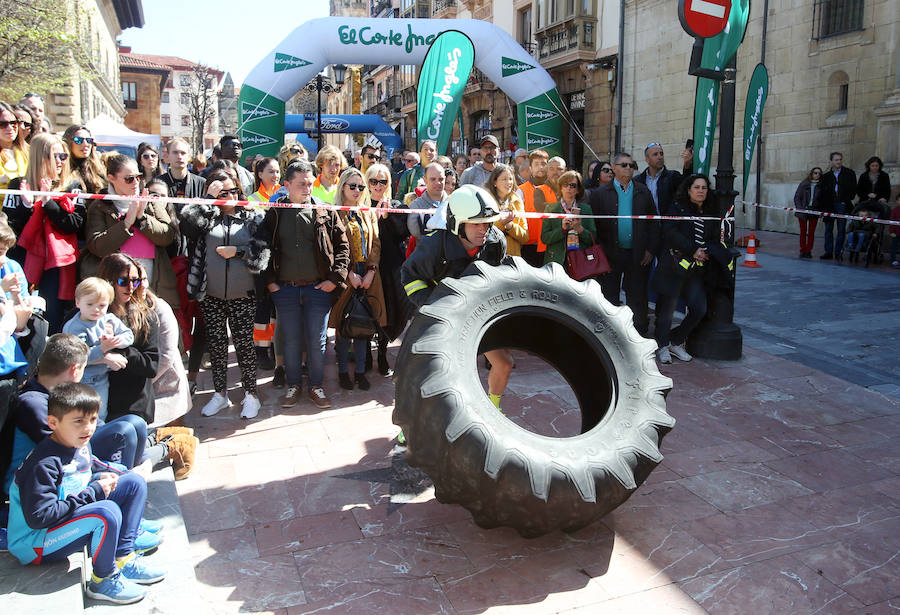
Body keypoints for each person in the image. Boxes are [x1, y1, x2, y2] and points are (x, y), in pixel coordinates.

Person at [7, 382, 166, 604]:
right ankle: (103, 579)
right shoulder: (43, 464)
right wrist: (93, 492)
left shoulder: (76, 443)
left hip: (60, 524)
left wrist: (114, 475)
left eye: (92, 419)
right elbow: (39, 518)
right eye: (79, 421)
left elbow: (87, 468)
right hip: (35, 543)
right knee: (105, 511)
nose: (88, 428)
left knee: (133, 483)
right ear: (53, 422)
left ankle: (123, 557)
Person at [401, 185, 513, 410]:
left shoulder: (495, 241)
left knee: (504, 364)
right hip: (439, 317)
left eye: (488, 222)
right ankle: (408, 427)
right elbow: (409, 277)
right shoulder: (434, 245)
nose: (484, 229)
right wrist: (435, 309)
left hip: (476, 314)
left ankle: (494, 409)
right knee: (426, 373)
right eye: (476, 223)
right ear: (457, 224)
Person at [180, 168, 270, 419]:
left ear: (239, 190)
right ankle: (220, 394)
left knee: (244, 346)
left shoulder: (253, 217)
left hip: (244, 295)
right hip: (211, 296)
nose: (228, 196)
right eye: (221, 192)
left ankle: (251, 395)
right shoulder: (205, 216)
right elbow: (186, 226)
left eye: (232, 191)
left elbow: (262, 256)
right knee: (217, 346)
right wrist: (208, 200)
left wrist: (238, 252)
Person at [264, 160, 349, 410]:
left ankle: (315, 385)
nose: (307, 188)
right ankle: (293, 385)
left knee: (317, 340)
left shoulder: (325, 211)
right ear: (286, 184)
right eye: (301, 184)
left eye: (310, 183)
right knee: (290, 340)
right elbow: (262, 247)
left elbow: (343, 247)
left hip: (318, 290)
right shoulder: (274, 212)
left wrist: (335, 280)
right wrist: (270, 282)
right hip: (284, 290)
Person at [82, 155, 179, 306]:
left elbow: (168, 235)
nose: (136, 183)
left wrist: (142, 219)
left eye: (138, 177)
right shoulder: (100, 205)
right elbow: (97, 246)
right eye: (129, 179)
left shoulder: (150, 202)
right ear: (111, 178)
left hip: (152, 277)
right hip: (116, 280)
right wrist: (126, 224)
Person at [16, 133, 83, 334]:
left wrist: (47, 204)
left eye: (63, 156)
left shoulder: (73, 186)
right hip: (24, 262)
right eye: (54, 156)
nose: (60, 161)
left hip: (57, 266)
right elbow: (11, 230)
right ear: (39, 157)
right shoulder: (18, 185)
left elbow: (75, 225)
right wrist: (28, 207)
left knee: (51, 317)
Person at [327, 168, 387, 391]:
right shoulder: (335, 212)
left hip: (368, 274)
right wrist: (348, 273)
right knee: (344, 324)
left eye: (360, 187)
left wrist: (371, 271)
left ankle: (361, 372)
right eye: (352, 186)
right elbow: (331, 248)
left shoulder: (368, 212)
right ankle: (343, 371)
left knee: (363, 324)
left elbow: (376, 244)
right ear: (342, 186)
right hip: (344, 274)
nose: (357, 190)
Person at [652, 174, 722, 364]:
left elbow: (715, 236)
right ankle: (662, 346)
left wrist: (708, 251)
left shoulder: (710, 211)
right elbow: (670, 232)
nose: (701, 191)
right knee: (667, 310)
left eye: (704, 188)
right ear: (689, 189)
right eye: (697, 187)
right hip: (675, 267)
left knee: (699, 308)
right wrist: (693, 250)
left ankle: (676, 341)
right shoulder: (677, 207)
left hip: (696, 270)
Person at [590, 152, 659, 336]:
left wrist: (650, 250)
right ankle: (610, 334)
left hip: (638, 254)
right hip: (610, 253)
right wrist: (600, 252)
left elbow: (653, 223)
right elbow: (593, 226)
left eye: (631, 165)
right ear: (614, 168)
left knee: (637, 296)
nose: (628, 168)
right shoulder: (599, 194)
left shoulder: (643, 190)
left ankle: (638, 333)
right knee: (609, 295)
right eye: (624, 165)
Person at [97, 253, 160, 425]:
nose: (131, 287)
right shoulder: (88, 314)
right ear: (109, 281)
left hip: (133, 405)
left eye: (136, 280)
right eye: (123, 281)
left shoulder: (146, 317)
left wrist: (119, 346)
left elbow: (151, 365)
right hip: (97, 401)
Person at [62, 278, 134, 420]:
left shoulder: (108, 319)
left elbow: (128, 335)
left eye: (102, 305)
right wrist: (103, 349)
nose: (96, 309)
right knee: (83, 414)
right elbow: (77, 356)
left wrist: (117, 341)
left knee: (100, 414)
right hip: (83, 379)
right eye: (90, 304)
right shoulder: (74, 327)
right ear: (78, 302)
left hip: (102, 377)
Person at [366, 163, 411, 375]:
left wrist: (387, 217)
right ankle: (364, 353)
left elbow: (403, 234)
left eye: (382, 181)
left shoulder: (396, 205)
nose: (378, 185)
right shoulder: (359, 204)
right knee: (365, 310)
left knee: (388, 311)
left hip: (390, 267)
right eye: (373, 181)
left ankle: (382, 354)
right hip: (366, 266)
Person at [247, 157, 281, 371]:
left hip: (281, 260)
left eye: (278, 171)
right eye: (270, 171)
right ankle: (261, 350)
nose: (275, 176)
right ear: (260, 174)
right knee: (262, 309)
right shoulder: (252, 199)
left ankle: (275, 347)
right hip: (261, 262)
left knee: (277, 309)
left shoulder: (285, 195)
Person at [541, 170, 597, 267]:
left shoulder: (586, 209)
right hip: (556, 261)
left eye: (573, 185)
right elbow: (544, 238)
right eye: (565, 184)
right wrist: (562, 230)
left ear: (578, 189)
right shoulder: (551, 209)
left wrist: (580, 229)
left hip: (580, 261)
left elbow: (593, 239)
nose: (568, 188)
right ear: (560, 187)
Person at [517, 149, 557, 267]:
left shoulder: (556, 188)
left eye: (543, 164)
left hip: (552, 245)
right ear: (530, 167)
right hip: (529, 247)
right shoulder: (521, 190)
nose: (540, 167)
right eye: (536, 164)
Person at [818, 151, 857, 261]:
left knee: (841, 230)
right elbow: (822, 193)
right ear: (831, 161)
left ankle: (838, 252)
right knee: (828, 229)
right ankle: (828, 252)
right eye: (836, 160)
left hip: (842, 204)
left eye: (840, 159)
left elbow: (853, 189)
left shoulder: (849, 173)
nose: (839, 162)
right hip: (829, 205)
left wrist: (846, 200)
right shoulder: (826, 176)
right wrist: (823, 208)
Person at [484, 163, 528, 257]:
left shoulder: (517, 200)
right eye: (504, 179)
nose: (509, 183)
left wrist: (510, 226)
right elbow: (484, 231)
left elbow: (525, 236)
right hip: (491, 255)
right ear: (494, 182)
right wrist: (502, 223)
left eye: (511, 179)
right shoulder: (486, 199)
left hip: (513, 257)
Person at [635, 142, 682, 215]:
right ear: (647, 159)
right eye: (655, 154)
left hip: (668, 224)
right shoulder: (638, 180)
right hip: (648, 224)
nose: (660, 157)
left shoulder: (673, 177)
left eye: (661, 154)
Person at [407, 163, 447, 241]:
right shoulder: (416, 206)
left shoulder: (453, 203)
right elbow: (415, 233)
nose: (438, 183)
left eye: (441, 179)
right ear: (425, 180)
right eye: (433, 179)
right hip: (425, 250)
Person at [62, 125, 106, 195]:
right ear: (68, 143)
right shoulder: (60, 168)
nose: (85, 144)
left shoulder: (100, 169)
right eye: (78, 140)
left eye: (89, 140)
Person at [793, 167, 823, 259]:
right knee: (803, 231)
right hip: (803, 210)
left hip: (814, 210)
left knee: (811, 232)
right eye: (815, 173)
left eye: (819, 173)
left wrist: (820, 210)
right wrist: (800, 208)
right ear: (811, 173)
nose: (817, 175)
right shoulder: (804, 184)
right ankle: (802, 250)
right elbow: (797, 197)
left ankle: (808, 250)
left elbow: (822, 200)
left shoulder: (821, 186)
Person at [0, 101, 29, 190]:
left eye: (13, 123)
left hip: (27, 202)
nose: (10, 128)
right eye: (2, 124)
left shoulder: (30, 151)